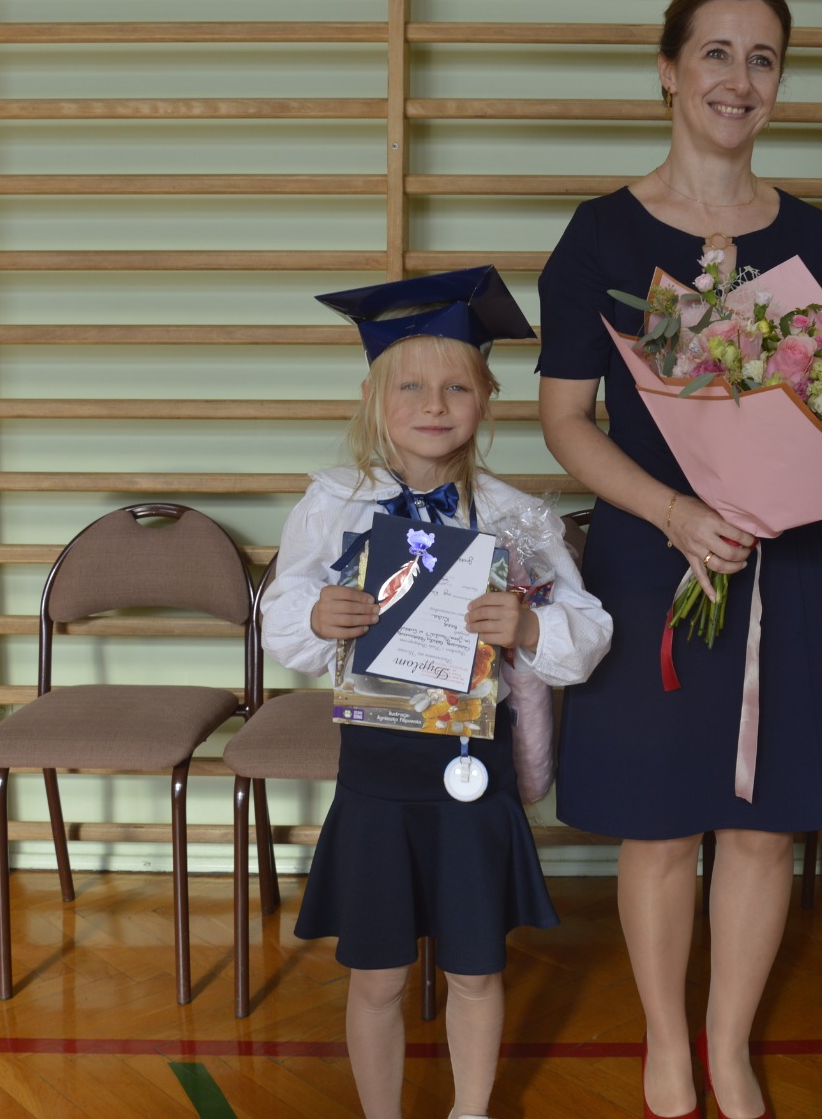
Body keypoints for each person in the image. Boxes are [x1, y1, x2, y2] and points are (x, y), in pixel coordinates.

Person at [537, 0, 822, 1119]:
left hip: (790, 562)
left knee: (766, 825)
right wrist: (676, 511)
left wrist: (807, 482)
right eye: (717, 53)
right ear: (669, 69)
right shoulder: (600, 234)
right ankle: (666, 1043)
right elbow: (566, 419)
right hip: (655, 555)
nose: (740, 79)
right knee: (659, 824)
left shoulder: (814, 238)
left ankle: (728, 1043)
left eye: (764, 57)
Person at [260, 266, 613, 1119]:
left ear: (487, 397)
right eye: (410, 385)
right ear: (373, 397)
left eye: (457, 385)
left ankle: (471, 1111)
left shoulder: (518, 518)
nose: (434, 403)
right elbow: (281, 620)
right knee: (376, 974)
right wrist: (318, 613)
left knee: (475, 968)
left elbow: (589, 631)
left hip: (472, 777)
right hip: (376, 777)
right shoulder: (334, 504)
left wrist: (528, 627)